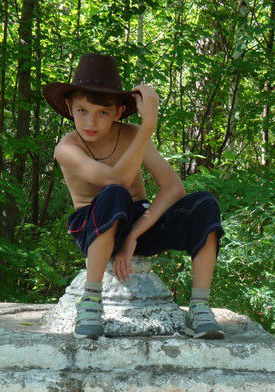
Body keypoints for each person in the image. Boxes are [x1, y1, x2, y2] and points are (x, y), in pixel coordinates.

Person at [42, 53, 225, 340]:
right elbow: (117, 181)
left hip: (138, 220)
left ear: (117, 112)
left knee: (204, 204)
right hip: (93, 225)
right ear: (69, 108)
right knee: (115, 193)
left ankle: (200, 307)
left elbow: (173, 188)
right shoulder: (67, 147)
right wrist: (149, 126)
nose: (91, 121)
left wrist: (133, 236)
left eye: (102, 112)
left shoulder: (130, 134)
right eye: (82, 111)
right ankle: (90, 301)